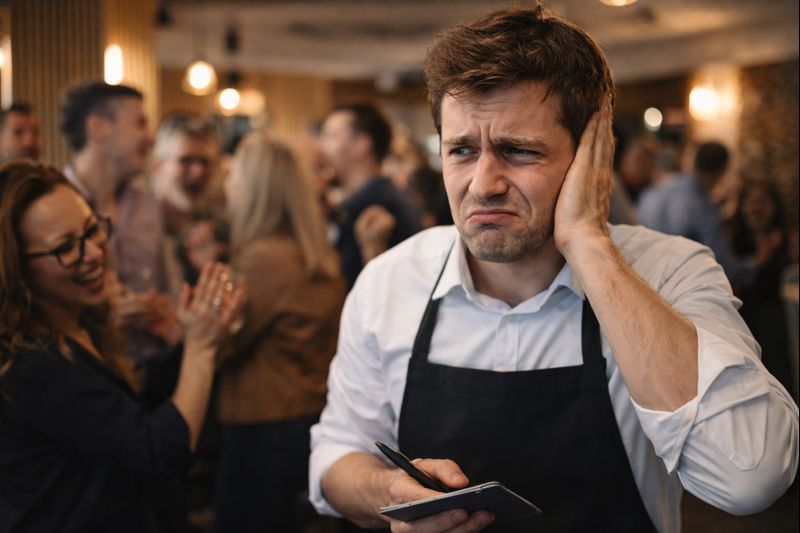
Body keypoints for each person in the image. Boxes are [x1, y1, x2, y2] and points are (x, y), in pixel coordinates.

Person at [309, 6, 798, 533]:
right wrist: (388, 493)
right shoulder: (390, 281)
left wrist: (588, 242)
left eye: (518, 150)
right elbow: (335, 457)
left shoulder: (669, 272)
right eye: (462, 150)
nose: (483, 183)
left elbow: (751, 476)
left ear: (595, 155)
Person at [0, 162, 244, 532]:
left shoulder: (78, 324)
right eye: (67, 247)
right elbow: (158, 453)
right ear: (16, 269)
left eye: (92, 230)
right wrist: (200, 349)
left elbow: (125, 407)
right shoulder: (34, 363)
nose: (95, 253)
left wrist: (201, 339)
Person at [214, 133, 346, 533]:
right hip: (302, 416)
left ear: (256, 189)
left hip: (262, 427)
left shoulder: (264, 260)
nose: (226, 186)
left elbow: (222, 345)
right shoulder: (310, 251)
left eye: (234, 177)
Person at [60, 81, 178, 366]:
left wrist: (163, 310)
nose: (150, 138)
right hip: (87, 369)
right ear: (98, 128)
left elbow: (167, 288)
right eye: (140, 123)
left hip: (155, 367)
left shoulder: (149, 205)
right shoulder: (53, 209)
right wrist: (102, 319)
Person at [637, 141, 775, 291]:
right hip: (678, 293)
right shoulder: (705, 209)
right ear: (722, 170)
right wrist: (759, 260)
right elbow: (724, 267)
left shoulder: (654, 191)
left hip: (642, 282)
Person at [319, 103, 420, 288]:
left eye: (331, 136)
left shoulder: (371, 205)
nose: (322, 146)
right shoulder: (386, 193)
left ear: (361, 145)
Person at [729, 179, 793, 394]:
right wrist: (760, 258)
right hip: (742, 327)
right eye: (751, 201)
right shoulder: (732, 242)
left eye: (763, 202)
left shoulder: (787, 243)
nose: (756, 208)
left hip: (779, 330)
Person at [151, 112, 228, 288]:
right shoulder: (140, 227)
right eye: (185, 161)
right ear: (158, 166)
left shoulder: (221, 229)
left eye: (205, 162)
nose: (198, 171)